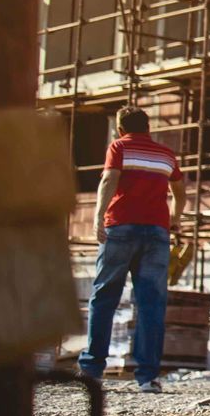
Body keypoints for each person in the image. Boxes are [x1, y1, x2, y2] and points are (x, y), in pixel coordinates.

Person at [80, 106, 187, 393]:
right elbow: (180, 191)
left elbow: (108, 179)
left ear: (120, 129)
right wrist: (174, 220)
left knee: (104, 297)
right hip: (156, 232)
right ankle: (148, 377)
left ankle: (91, 370)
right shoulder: (166, 155)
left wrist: (98, 216)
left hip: (121, 228)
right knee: (151, 304)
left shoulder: (119, 146)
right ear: (148, 128)